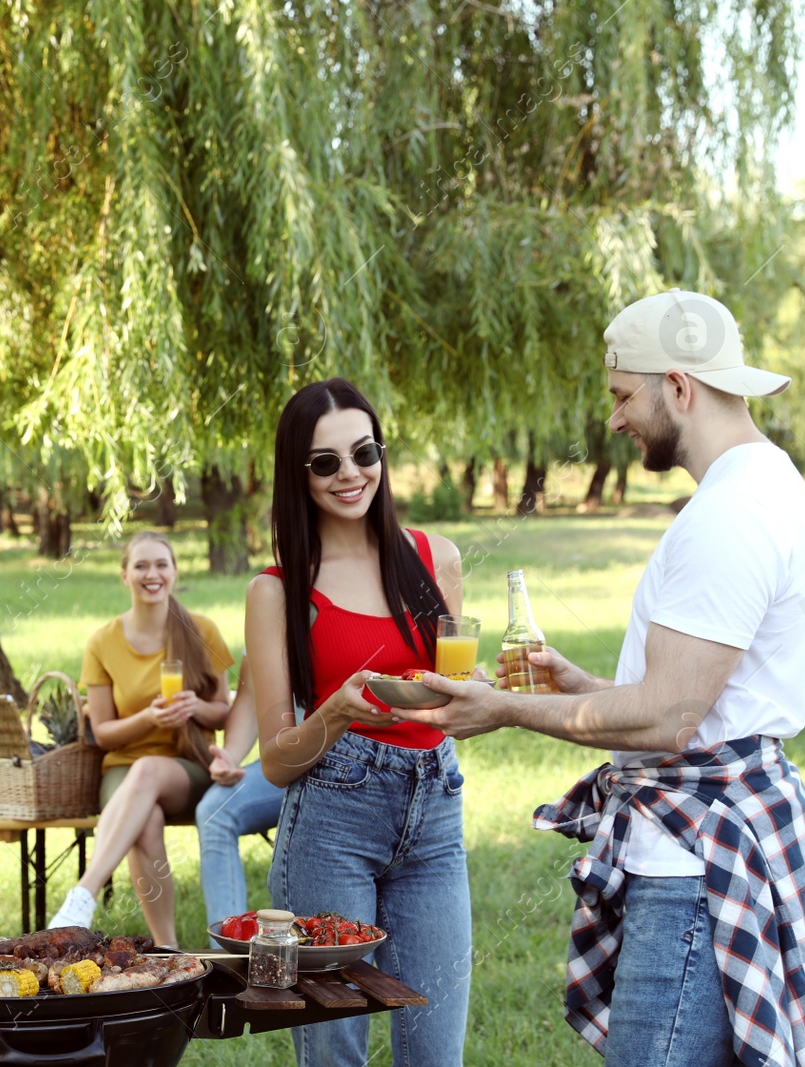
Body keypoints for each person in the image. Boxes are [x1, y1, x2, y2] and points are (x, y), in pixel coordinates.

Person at [397, 290, 805, 1067]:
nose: (614, 419)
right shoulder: (766, 481)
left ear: (679, 386)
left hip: (694, 868)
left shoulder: (731, 514)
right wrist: (579, 683)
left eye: (623, 396)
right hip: (722, 837)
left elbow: (668, 721)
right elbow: (706, 698)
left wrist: (503, 708)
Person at [245, 378, 472, 1066]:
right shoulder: (277, 590)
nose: (350, 474)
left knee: (435, 1050)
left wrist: (482, 693)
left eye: (363, 452)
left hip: (434, 812)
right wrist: (339, 709)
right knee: (335, 1048)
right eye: (326, 462)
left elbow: (455, 694)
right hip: (330, 822)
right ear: (299, 473)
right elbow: (277, 761)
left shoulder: (437, 559)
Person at [46, 531, 233, 948]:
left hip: (188, 766)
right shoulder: (103, 642)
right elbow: (104, 733)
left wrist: (194, 708)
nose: (153, 574)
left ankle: (84, 893)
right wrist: (149, 717)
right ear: (124, 576)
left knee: (149, 770)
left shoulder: (201, 630)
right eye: (141, 566)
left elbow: (224, 710)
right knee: (145, 819)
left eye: (161, 564)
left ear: (174, 571)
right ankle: (167, 949)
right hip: (123, 768)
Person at [193, 661, 285, 932]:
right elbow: (248, 696)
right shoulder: (263, 618)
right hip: (283, 763)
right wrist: (230, 756)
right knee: (214, 811)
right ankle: (230, 954)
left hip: (345, 762)